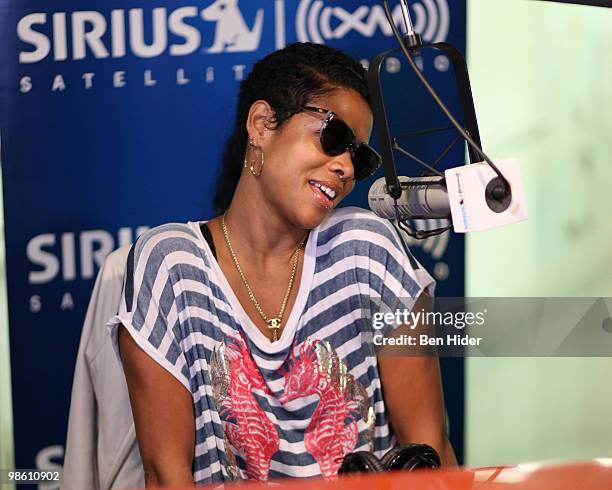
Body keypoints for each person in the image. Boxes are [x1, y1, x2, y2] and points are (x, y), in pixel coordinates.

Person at [109, 42, 456, 486]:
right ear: (262, 124)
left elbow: (428, 452)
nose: (346, 167)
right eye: (332, 138)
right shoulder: (172, 265)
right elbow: (166, 477)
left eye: (360, 157)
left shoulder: (367, 250)